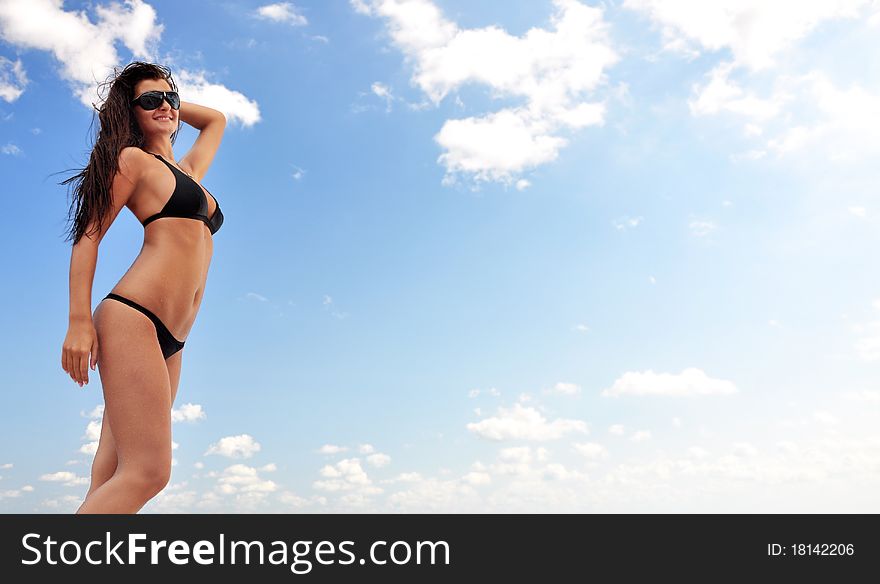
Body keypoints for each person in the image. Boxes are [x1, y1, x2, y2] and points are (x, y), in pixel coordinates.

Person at [59, 61, 227, 513]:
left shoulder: (189, 170)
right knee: (149, 472)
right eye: (150, 101)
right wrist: (78, 322)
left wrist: (165, 101)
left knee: (112, 470)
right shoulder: (132, 162)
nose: (166, 107)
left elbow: (216, 120)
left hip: (173, 339)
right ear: (129, 112)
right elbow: (88, 237)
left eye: (170, 99)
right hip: (134, 317)